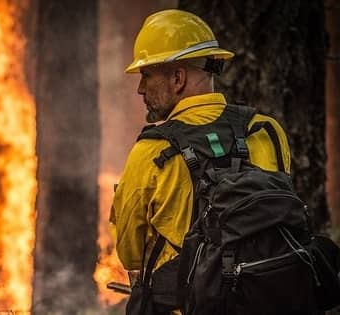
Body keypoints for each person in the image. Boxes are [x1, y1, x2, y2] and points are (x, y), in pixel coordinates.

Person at [109, 9, 291, 314]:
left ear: (178, 78)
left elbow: (131, 256)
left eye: (147, 75)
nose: (140, 89)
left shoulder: (152, 151)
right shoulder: (266, 130)